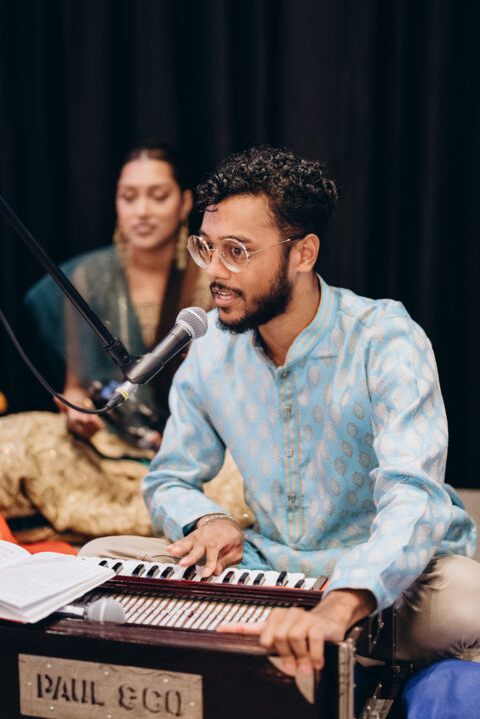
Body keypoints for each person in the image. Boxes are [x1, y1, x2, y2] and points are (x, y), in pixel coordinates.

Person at [82, 145, 480, 678]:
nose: (214, 272)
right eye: (207, 248)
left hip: (391, 580)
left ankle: (315, 632)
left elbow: (414, 495)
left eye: (237, 252)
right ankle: (304, 634)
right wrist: (209, 519)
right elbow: (169, 478)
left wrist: (342, 602)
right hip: (270, 569)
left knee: (468, 601)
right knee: (99, 559)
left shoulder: (385, 338)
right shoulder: (210, 348)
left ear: (303, 253)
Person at [25, 142, 211, 452]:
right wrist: (78, 413)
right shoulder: (89, 278)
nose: (142, 211)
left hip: (198, 445)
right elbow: (76, 388)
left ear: (184, 203)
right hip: (114, 442)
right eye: (129, 197)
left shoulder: (210, 280)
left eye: (158, 196)